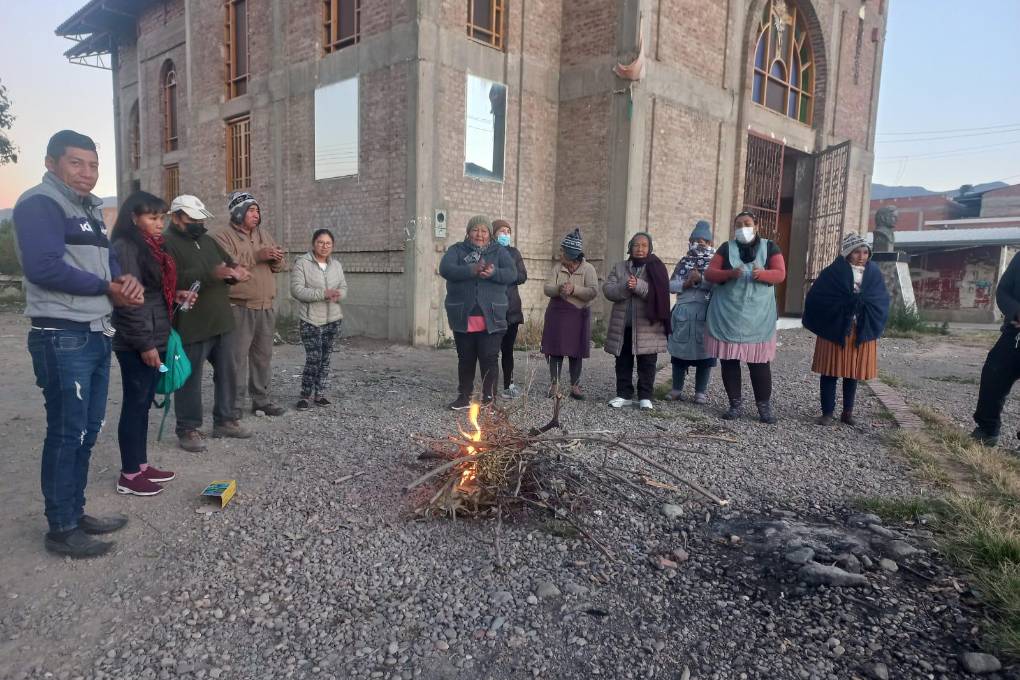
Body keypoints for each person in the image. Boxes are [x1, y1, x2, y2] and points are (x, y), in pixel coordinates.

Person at [13, 129, 144, 557]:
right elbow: (43, 268)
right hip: (60, 334)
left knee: (87, 431)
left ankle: (76, 512)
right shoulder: (41, 202)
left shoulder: (87, 207)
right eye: (76, 163)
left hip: (93, 332)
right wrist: (108, 288)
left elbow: (105, 262)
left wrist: (121, 280)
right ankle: (61, 527)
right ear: (51, 163)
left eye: (92, 165)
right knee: (67, 433)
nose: (86, 173)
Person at [110, 191, 194, 495]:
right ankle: (129, 475)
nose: (160, 224)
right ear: (134, 218)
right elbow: (129, 303)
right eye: (152, 218)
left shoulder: (152, 247)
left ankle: (141, 465)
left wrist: (179, 294)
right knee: (134, 405)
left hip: (153, 334)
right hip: (136, 341)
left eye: (161, 218)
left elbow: (153, 295)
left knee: (144, 404)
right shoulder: (126, 247)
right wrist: (145, 344)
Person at [162, 195, 252, 451]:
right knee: (189, 379)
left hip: (220, 320)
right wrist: (212, 274)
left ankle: (225, 419)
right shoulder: (166, 243)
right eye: (192, 219)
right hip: (191, 324)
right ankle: (188, 428)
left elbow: (228, 265)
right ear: (176, 217)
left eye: (201, 219)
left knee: (228, 372)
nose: (198, 224)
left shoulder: (208, 240)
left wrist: (236, 273)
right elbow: (171, 278)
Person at [704, 210, 786, 424]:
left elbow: (780, 273)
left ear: (756, 226)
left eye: (747, 223)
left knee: (759, 363)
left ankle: (764, 407)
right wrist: (729, 274)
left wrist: (764, 274)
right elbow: (710, 274)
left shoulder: (770, 247)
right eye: (738, 224)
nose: (742, 228)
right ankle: (735, 405)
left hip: (758, 316)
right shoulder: (726, 247)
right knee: (729, 361)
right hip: (727, 314)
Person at [803, 233, 890, 425]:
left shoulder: (874, 273)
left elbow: (881, 300)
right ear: (847, 253)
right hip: (834, 328)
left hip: (861, 329)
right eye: (857, 251)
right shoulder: (833, 273)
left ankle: (847, 412)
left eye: (865, 252)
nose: (861, 256)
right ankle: (827, 412)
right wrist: (844, 304)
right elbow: (818, 298)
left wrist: (862, 304)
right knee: (830, 371)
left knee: (853, 373)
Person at [213, 191, 287, 417]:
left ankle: (261, 400)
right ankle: (234, 405)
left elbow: (278, 268)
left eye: (258, 210)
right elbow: (226, 264)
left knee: (263, 356)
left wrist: (277, 259)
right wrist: (258, 256)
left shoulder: (264, 234)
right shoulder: (222, 236)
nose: (257, 214)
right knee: (236, 358)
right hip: (239, 306)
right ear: (238, 211)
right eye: (251, 210)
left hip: (265, 305)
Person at [439, 215, 518, 410]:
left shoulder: (499, 251)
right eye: (475, 230)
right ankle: (464, 397)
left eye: (484, 231)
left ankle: (489, 398)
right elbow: (445, 269)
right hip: (463, 314)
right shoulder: (457, 250)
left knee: (489, 357)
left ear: (489, 234)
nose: (479, 235)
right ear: (468, 232)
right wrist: (471, 270)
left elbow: (512, 273)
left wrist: (493, 273)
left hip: (492, 315)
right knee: (465, 357)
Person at [603, 232, 671, 410]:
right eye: (636, 245)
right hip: (623, 324)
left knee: (647, 363)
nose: (640, 249)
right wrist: (626, 286)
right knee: (623, 361)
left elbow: (661, 294)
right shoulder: (619, 267)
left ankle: (645, 396)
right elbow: (608, 290)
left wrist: (639, 286)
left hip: (648, 327)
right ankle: (623, 394)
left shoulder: (656, 267)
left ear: (650, 248)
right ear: (630, 247)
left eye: (644, 245)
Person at [290, 228, 348, 410]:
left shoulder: (336, 265)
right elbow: (297, 291)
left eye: (328, 243)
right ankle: (304, 396)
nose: (324, 246)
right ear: (313, 244)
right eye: (321, 242)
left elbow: (343, 287)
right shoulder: (302, 263)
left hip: (333, 319)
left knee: (326, 359)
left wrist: (339, 294)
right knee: (314, 358)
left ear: (333, 246)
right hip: (311, 320)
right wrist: (323, 294)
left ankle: (319, 394)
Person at [541, 229, 598, 399]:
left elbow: (593, 291)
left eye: (563, 251)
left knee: (576, 352)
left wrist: (574, 289)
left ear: (572, 254)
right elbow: (547, 288)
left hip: (578, 315)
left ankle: (575, 385)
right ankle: (554, 384)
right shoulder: (557, 268)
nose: (560, 254)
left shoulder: (589, 269)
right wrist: (559, 289)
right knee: (555, 350)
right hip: (557, 314)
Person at [972, 250, 1020, 446]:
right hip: (1015, 332)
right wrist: (1016, 312)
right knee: (994, 374)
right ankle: (987, 429)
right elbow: (1003, 292)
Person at [666, 220, 717, 404]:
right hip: (683, 314)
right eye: (696, 240)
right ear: (690, 241)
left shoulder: (716, 263)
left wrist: (701, 280)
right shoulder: (683, 262)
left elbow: (719, 286)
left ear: (711, 243)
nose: (700, 243)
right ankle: (676, 389)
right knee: (679, 354)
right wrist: (686, 283)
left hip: (706, 312)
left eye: (705, 240)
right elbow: (670, 285)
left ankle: (700, 392)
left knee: (706, 355)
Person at [492, 219, 527, 398]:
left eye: (508, 231)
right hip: (492, 311)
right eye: (502, 231)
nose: (505, 234)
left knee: (508, 350)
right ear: (494, 233)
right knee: (490, 351)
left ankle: (509, 385)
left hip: (511, 309)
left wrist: (505, 274)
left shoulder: (514, 253)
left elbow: (522, 275)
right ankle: (489, 387)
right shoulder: (488, 252)